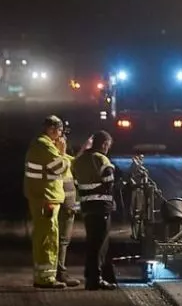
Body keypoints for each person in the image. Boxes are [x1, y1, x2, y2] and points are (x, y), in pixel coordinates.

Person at [23, 115, 71, 288]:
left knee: (46, 235)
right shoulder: (44, 145)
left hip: (43, 195)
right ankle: (45, 278)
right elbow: (60, 167)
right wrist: (63, 151)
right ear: (52, 129)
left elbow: (66, 164)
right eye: (60, 131)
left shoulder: (43, 145)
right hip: (46, 197)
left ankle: (44, 276)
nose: (61, 135)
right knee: (48, 237)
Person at [73, 130, 118, 289]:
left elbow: (76, 183)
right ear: (105, 144)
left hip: (86, 207)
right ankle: (95, 279)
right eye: (108, 145)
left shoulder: (79, 161)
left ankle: (92, 276)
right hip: (101, 208)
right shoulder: (102, 159)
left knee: (92, 243)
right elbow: (109, 182)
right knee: (99, 245)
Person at [54, 128, 83, 288]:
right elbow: (61, 170)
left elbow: (75, 162)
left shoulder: (62, 157)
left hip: (65, 205)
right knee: (62, 240)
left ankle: (58, 271)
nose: (64, 141)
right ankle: (60, 272)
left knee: (61, 240)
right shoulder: (57, 158)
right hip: (62, 205)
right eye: (61, 138)